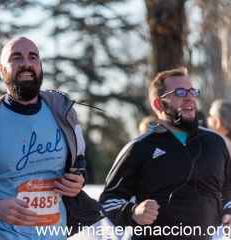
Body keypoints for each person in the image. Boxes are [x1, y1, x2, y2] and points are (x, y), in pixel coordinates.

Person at [0, 36, 104, 240]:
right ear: (1, 70)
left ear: (40, 66)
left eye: (33, 57)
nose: (26, 63)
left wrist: (79, 180)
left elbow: (79, 163)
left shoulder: (64, 113)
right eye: (16, 58)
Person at [99, 66, 231, 239]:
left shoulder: (215, 143)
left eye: (192, 92)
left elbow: (228, 188)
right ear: (158, 104)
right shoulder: (138, 147)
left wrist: (228, 208)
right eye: (180, 93)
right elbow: (108, 201)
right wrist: (133, 212)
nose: (189, 98)